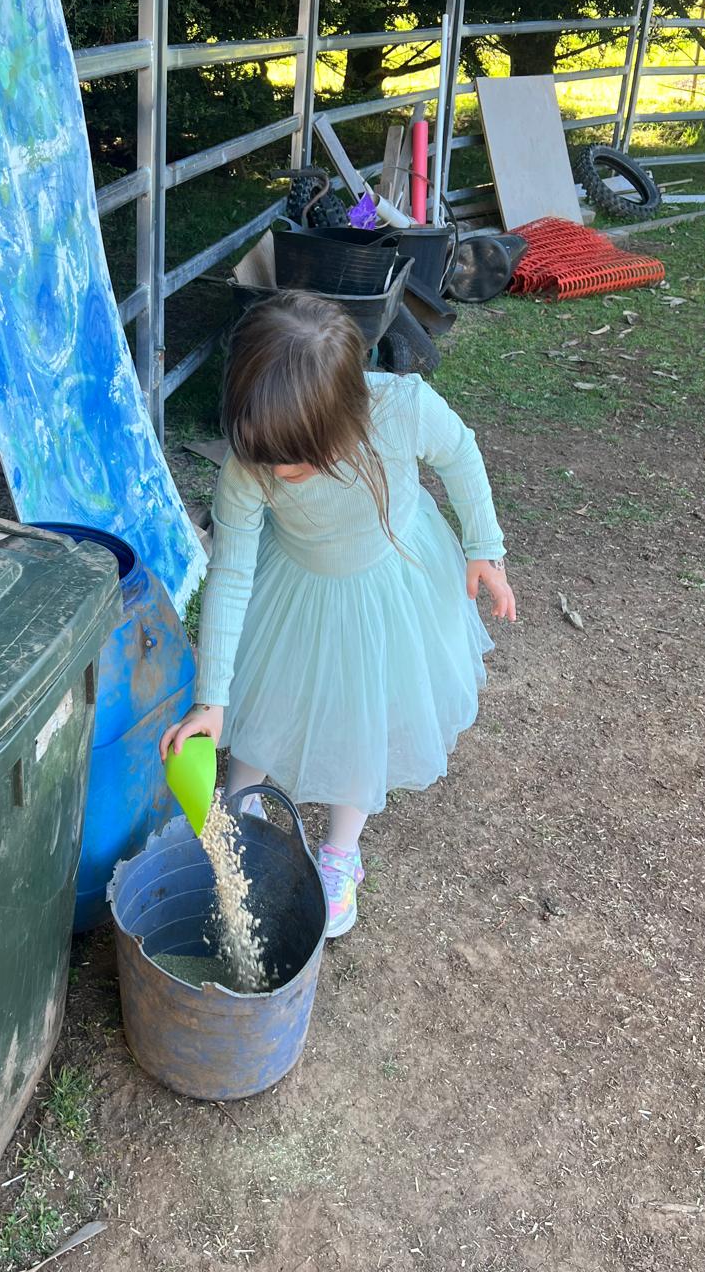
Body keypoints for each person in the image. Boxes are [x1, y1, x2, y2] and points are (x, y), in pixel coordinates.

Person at [160, 291, 516, 938]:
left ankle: (339, 853)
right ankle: (241, 819)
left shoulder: (403, 409)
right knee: (267, 697)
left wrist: (484, 547)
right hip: (295, 585)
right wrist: (211, 700)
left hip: (392, 584)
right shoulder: (250, 468)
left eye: (294, 458)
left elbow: (461, 454)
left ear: (346, 415)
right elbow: (233, 571)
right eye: (264, 455)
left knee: (364, 713)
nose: (277, 471)